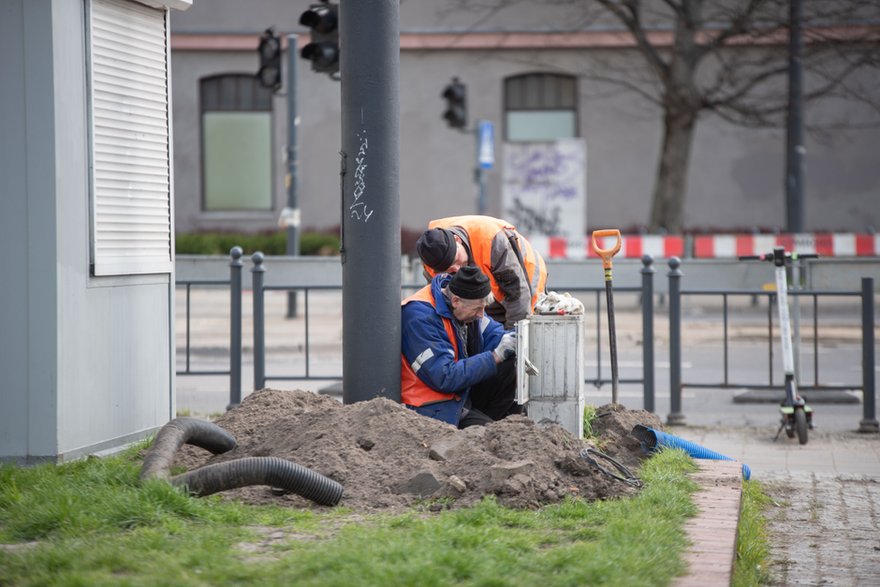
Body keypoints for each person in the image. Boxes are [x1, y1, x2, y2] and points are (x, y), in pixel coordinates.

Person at [401, 265, 519, 428]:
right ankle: (488, 426)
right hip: (433, 408)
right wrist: (495, 356)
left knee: (509, 365)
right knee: (491, 436)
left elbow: (494, 333)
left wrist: (519, 335)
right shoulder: (420, 318)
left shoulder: (465, 302)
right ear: (455, 301)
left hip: (459, 395)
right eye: (478, 308)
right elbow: (444, 377)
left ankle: (494, 423)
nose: (481, 315)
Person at [415, 215, 547, 329]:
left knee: (519, 334)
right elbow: (441, 304)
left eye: (456, 260)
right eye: (447, 269)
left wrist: (514, 339)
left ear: (457, 240)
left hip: (526, 281)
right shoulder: (431, 256)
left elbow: (518, 298)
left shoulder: (492, 241)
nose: (456, 270)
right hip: (486, 297)